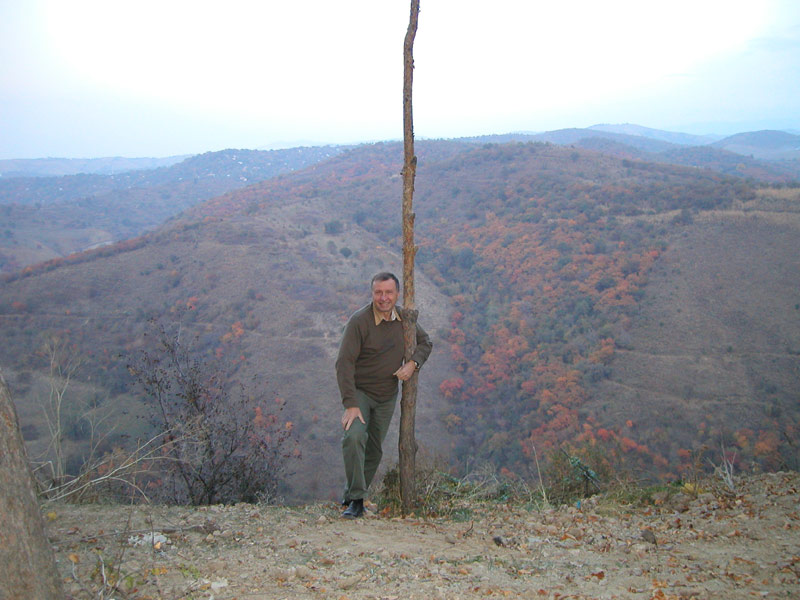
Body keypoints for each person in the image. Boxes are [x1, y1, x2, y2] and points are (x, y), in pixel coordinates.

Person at [336, 272, 432, 518]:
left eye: (389, 292)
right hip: (361, 392)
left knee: (374, 449)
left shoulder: (404, 320)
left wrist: (413, 364)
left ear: (397, 294)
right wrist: (350, 403)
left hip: (387, 395)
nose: (383, 298)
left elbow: (425, 343)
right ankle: (357, 500)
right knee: (354, 437)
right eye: (378, 292)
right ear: (372, 294)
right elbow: (344, 363)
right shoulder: (359, 321)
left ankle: (350, 496)